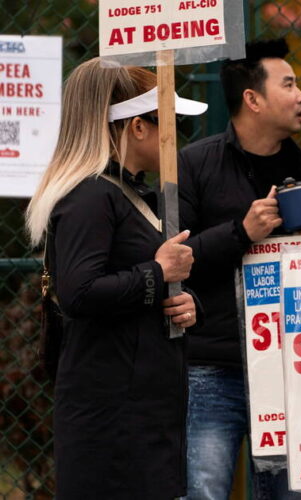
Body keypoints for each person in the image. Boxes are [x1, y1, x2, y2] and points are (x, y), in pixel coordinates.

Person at [25, 58, 205, 498]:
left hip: (138, 408)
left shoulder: (123, 192)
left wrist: (181, 299)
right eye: (170, 124)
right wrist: (159, 273)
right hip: (111, 418)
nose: (175, 140)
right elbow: (79, 292)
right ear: (138, 127)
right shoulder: (91, 195)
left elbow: (132, 285)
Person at [177, 38, 301, 500]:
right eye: (288, 84)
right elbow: (174, 263)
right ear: (253, 99)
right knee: (203, 490)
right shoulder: (195, 165)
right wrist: (241, 232)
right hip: (212, 366)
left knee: (296, 492)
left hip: (293, 369)